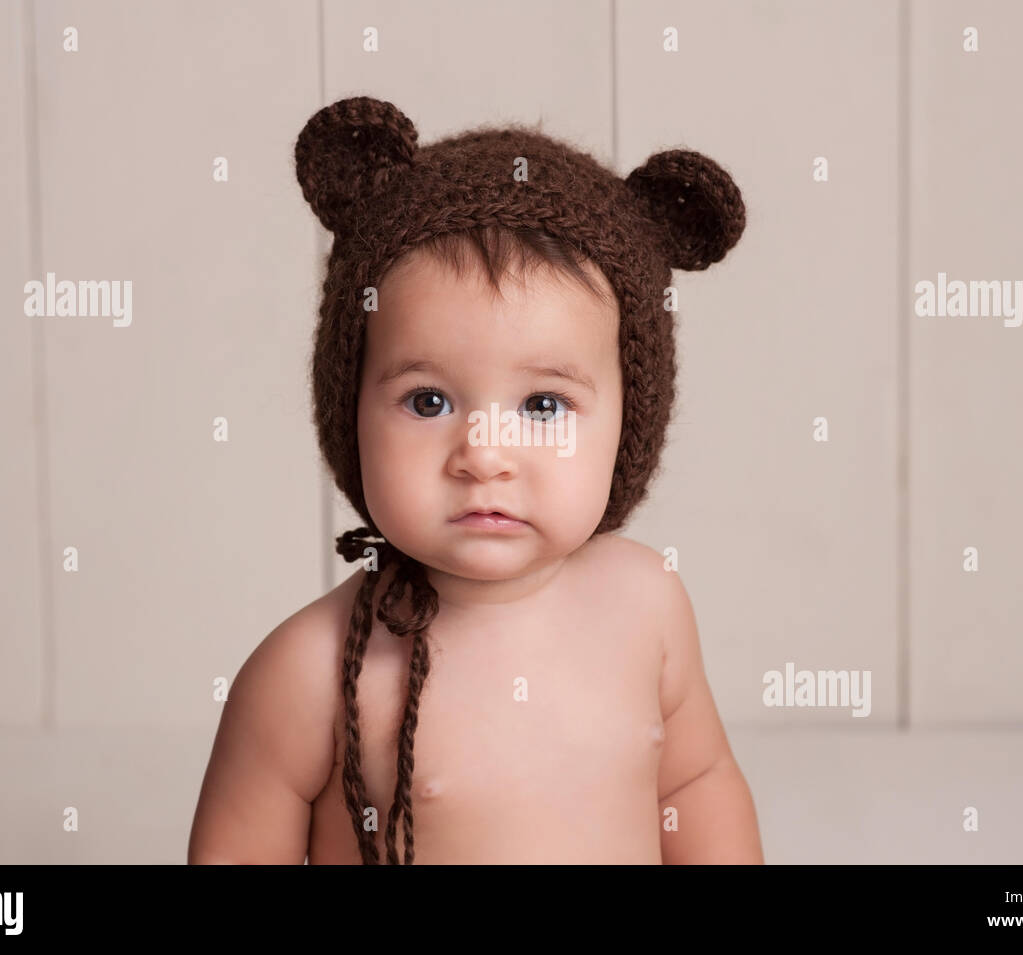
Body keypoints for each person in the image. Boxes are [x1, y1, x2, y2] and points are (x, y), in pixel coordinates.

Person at [189, 96, 762, 864]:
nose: (484, 454)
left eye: (543, 405)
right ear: (349, 414)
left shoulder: (647, 605)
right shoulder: (310, 672)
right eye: (428, 401)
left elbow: (696, 782)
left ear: (629, 426)